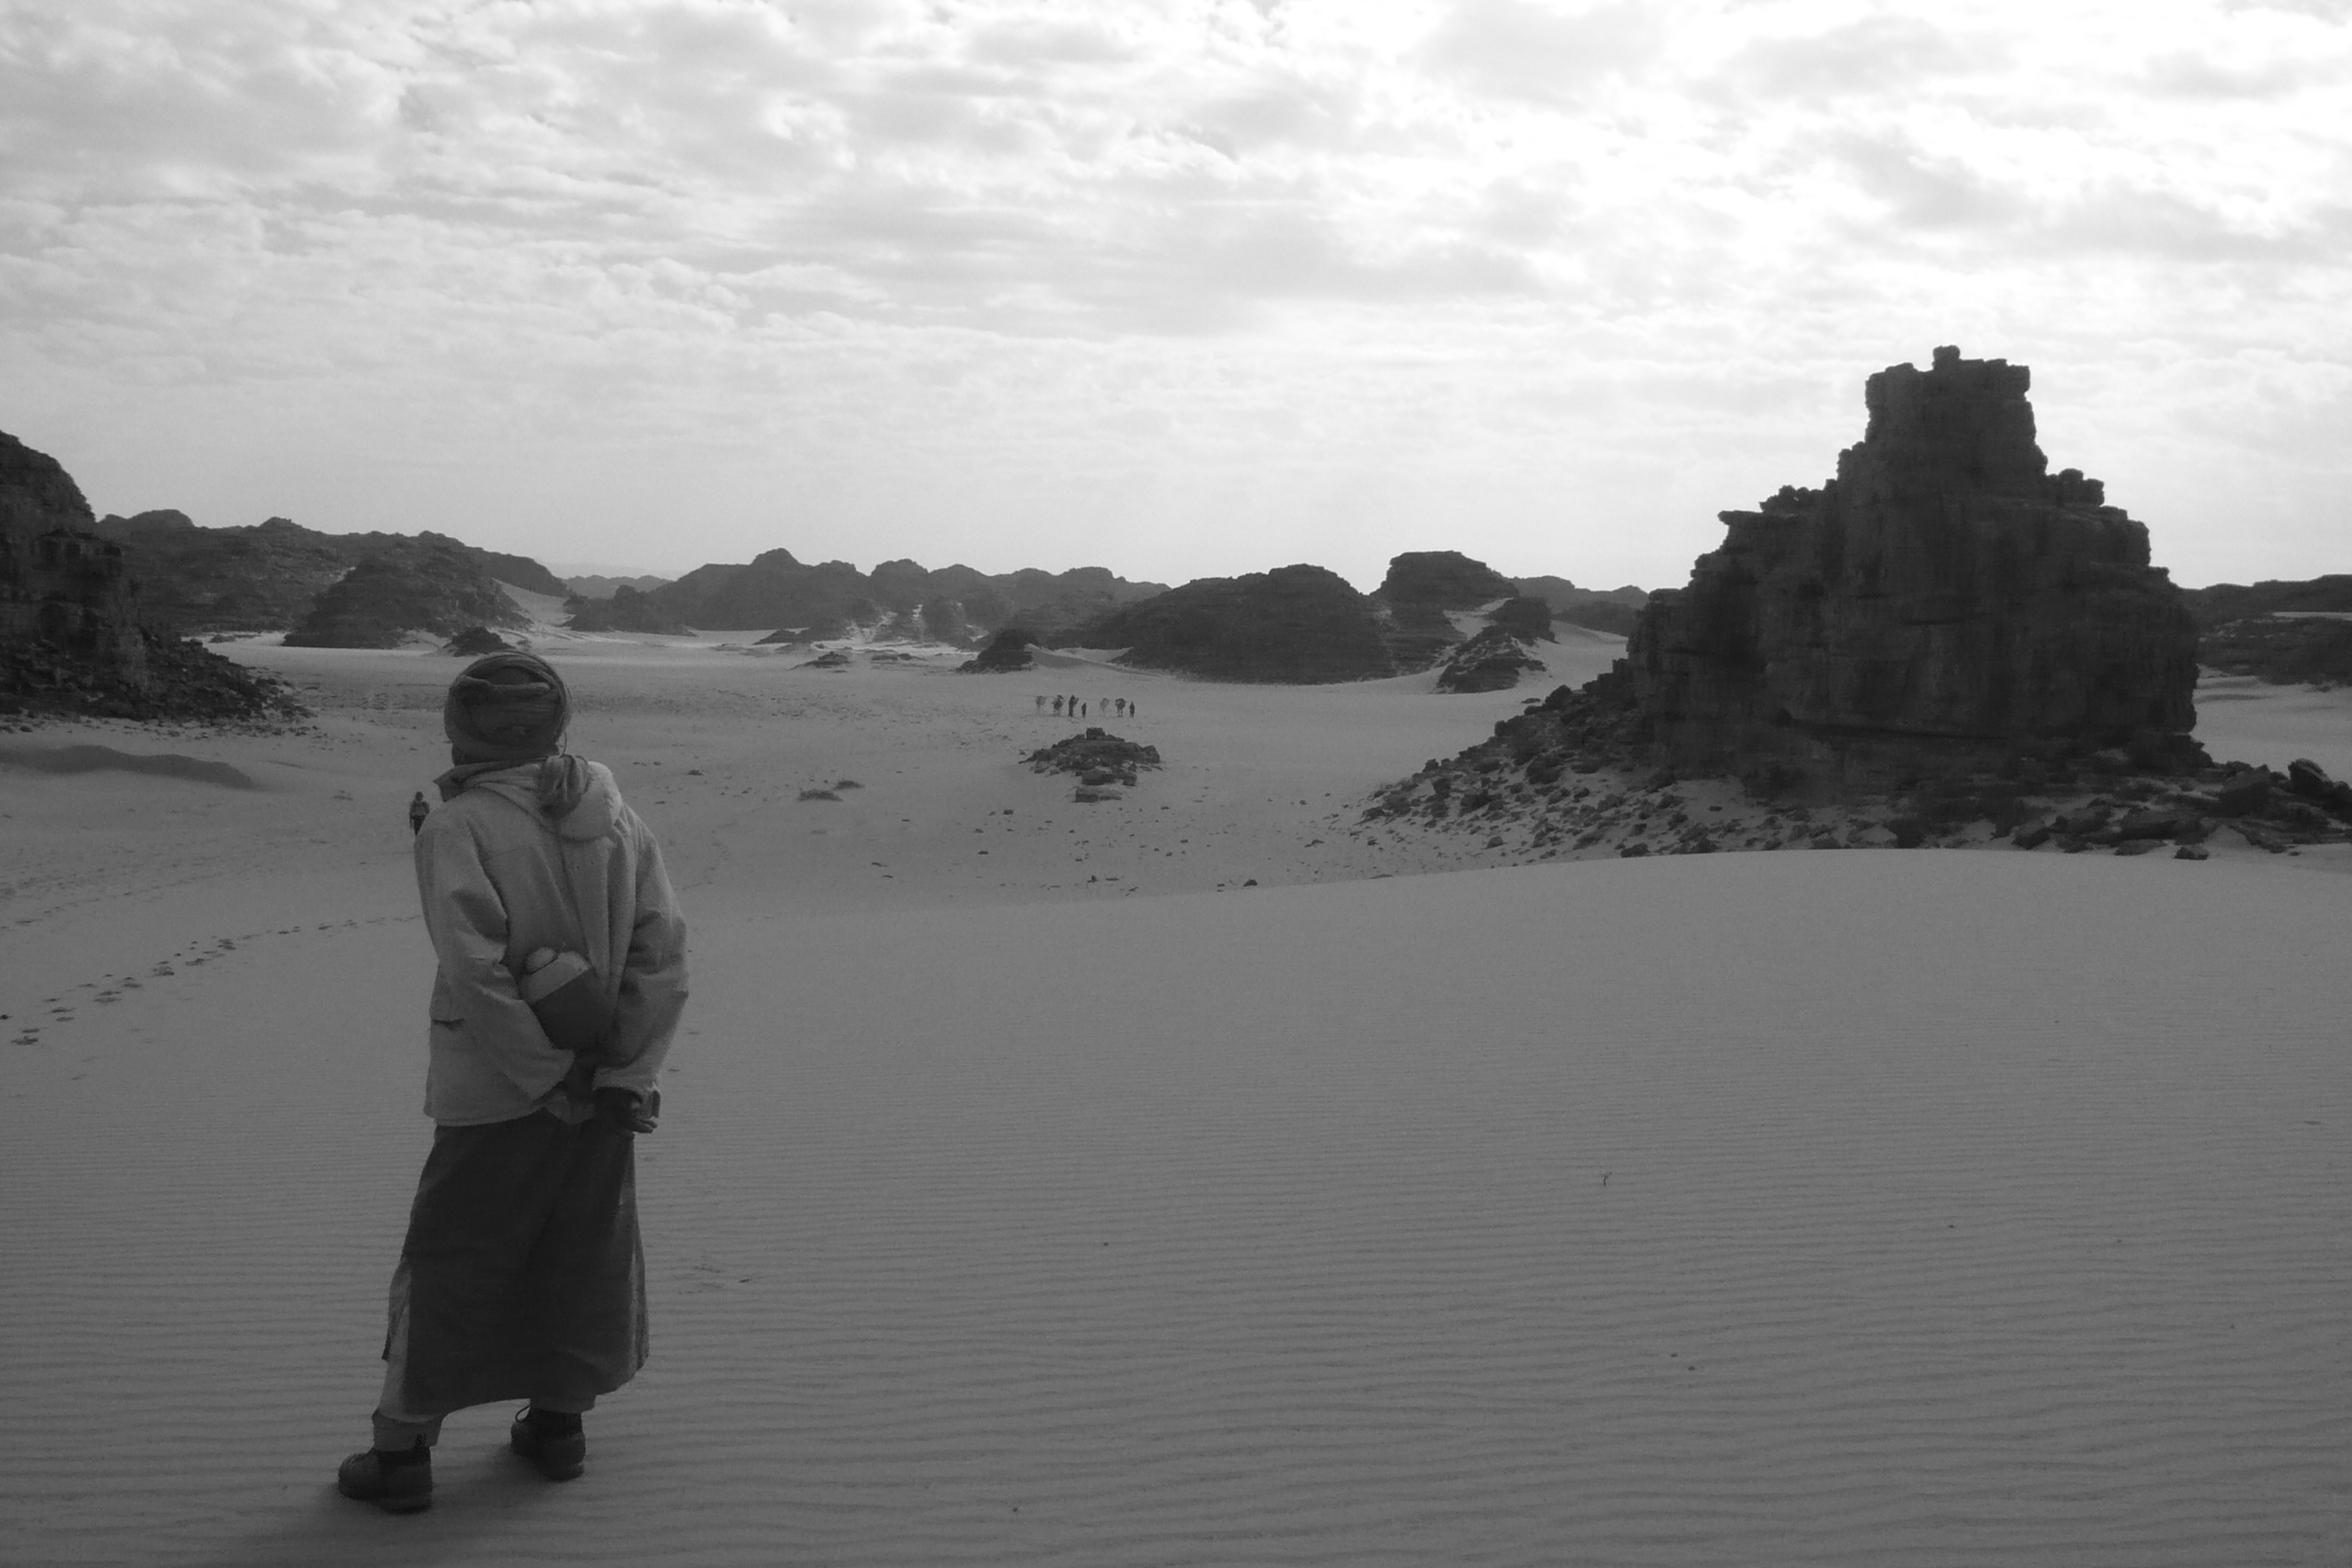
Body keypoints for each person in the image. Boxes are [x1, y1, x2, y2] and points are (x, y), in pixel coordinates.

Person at [338, 652, 688, 1514]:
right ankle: (558, 1427)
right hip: (604, 1091)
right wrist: (623, 1073)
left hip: (498, 1094)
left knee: (453, 1259)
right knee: (582, 1254)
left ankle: (402, 1453)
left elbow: (475, 971)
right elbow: (663, 955)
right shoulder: (618, 819)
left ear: (461, 726)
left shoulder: (457, 828)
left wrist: (545, 1076)